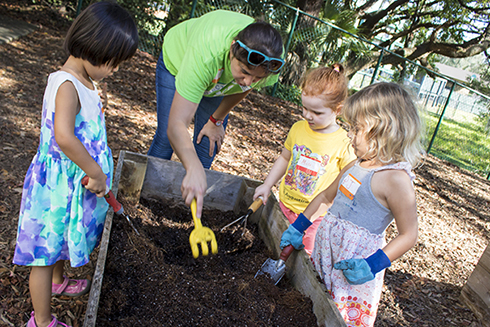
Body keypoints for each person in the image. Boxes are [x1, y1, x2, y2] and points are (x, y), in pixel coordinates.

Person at [12, 2, 138, 327]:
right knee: (44, 254)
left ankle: (57, 282)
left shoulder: (84, 81)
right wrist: (95, 171)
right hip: (56, 186)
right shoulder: (66, 85)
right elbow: (65, 137)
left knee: (57, 245)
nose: (114, 71)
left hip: (71, 182)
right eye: (113, 63)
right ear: (93, 47)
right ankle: (41, 320)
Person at [280, 82, 424, 326]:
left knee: (340, 317)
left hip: (353, 268)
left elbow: (409, 234)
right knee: (315, 306)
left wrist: (372, 265)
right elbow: (326, 197)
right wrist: (299, 226)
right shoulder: (356, 164)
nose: (349, 134)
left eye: (357, 128)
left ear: (384, 130)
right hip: (326, 254)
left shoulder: (396, 180)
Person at [147, 10, 284, 218]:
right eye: (244, 72)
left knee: (205, 147)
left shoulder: (269, 63)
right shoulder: (205, 53)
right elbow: (177, 123)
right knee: (167, 138)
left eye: (256, 78)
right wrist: (191, 168)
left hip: (219, 83)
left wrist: (216, 119)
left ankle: (189, 215)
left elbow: (244, 88)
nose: (248, 81)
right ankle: (146, 201)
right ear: (232, 49)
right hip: (177, 64)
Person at [253, 64, 356, 255]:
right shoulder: (298, 128)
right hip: (285, 204)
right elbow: (285, 158)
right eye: (305, 108)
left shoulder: (344, 142)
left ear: (338, 109)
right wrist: (267, 185)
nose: (308, 115)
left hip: (313, 218)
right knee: (275, 244)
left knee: (303, 257)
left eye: (317, 113)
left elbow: (346, 182)